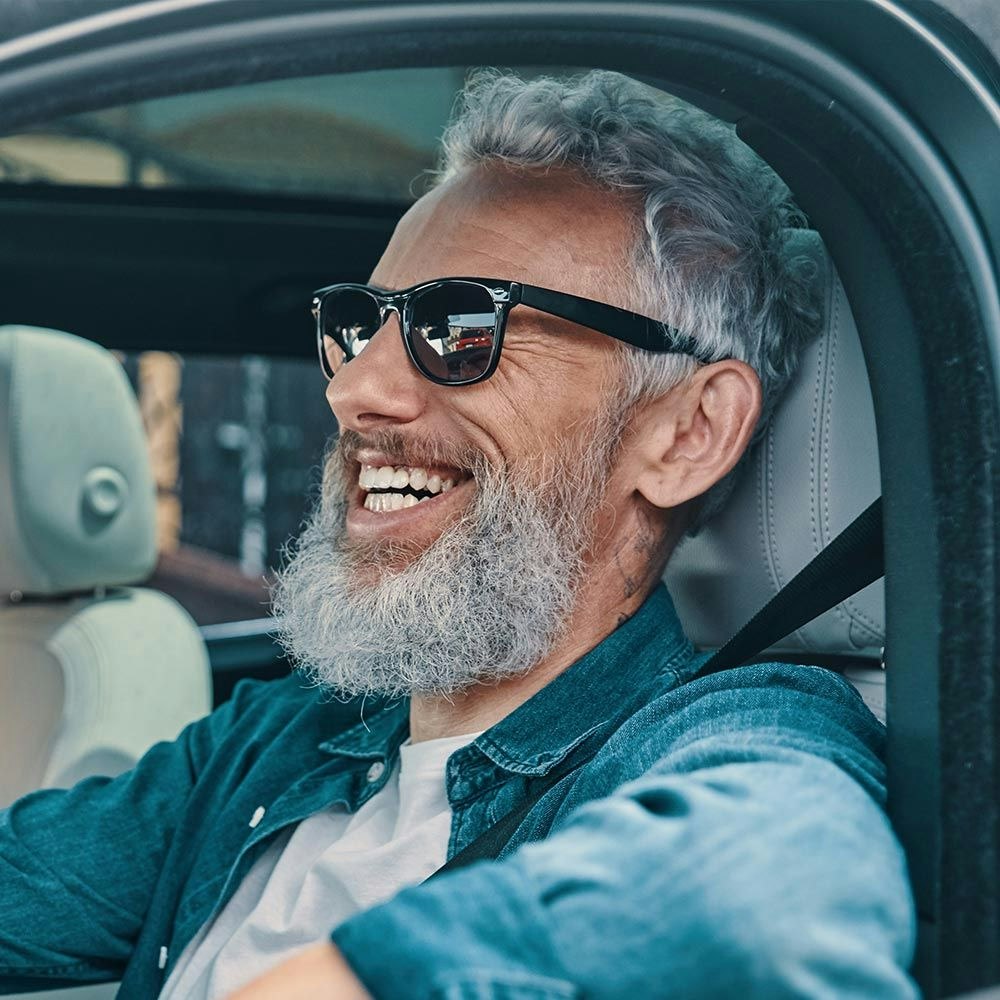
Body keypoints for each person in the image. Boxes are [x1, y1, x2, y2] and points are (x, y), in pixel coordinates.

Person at [0, 70, 915, 998]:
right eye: (362, 325)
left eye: (462, 326)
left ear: (688, 433)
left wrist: (347, 982)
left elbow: (762, 908)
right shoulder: (281, 738)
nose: (354, 390)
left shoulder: (730, 729)